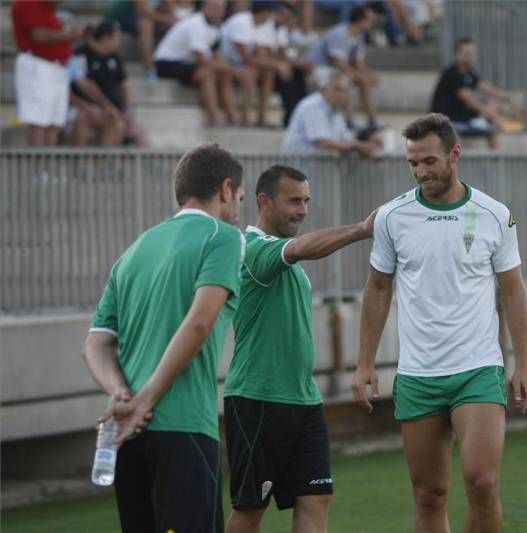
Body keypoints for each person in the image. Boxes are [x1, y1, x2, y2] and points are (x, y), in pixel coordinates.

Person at [352, 113, 527, 533]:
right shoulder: (391, 217)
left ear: (455, 155)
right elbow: (378, 288)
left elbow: (513, 290)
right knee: (429, 495)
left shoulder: (498, 214)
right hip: (417, 374)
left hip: (477, 369)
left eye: (429, 162)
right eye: (412, 163)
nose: (420, 172)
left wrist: (523, 364)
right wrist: (365, 363)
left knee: (483, 482)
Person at [81, 144, 246, 533]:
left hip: (125, 433)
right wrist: (145, 401)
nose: (238, 207)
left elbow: (96, 343)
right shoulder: (222, 236)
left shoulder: (134, 250)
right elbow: (199, 324)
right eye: (239, 197)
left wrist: (122, 395)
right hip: (181, 424)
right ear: (225, 189)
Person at [223, 165, 375, 533]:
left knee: (316, 497)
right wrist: (361, 229)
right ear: (264, 201)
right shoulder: (254, 249)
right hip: (258, 397)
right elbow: (304, 248)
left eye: (306, 200)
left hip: (303, 400)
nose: (303, 210)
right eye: (294, 201)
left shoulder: (281, 255)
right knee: (250, 509)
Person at [154, 0, 246, 126]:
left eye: (220, 8)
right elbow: (201, 60)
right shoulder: (196, 24)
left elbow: (216, 56)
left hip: (187, 64)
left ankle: (232, 117)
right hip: (167, 63)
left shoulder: (216, 27)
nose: (218, 11)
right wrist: (234, 70)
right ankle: (213, 118)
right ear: (204, 7)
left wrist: (229, 70)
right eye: (214, 7)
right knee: (207, 75)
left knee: (224, 75)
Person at [11, 0, 86, 146]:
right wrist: (70, 35)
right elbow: (39, 36)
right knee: (39, 120)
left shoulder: (48, 10)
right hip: (38, 66)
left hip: (56, 68)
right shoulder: (28, 4)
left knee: (54, 122)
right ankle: (37, 167)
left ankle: (48, 167)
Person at [69, 20, 148, 147]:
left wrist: (128, 110)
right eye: (117, 38)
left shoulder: (114, 57)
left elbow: (124, 85)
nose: (120, 42)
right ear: (106, 38)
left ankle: (110, 164)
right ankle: (85, 161)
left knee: (138, 131)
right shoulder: (80, 54)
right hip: (88, 107)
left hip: (112, 108)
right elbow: (83, 85)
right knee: (107, 120)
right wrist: (106, 106)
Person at [430, 38, 519, 150]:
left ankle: (495, 153)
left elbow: (487, 88)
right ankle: (496, 155)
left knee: (493, 103)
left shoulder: (469, 72)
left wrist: (508, 98)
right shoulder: (452, 74)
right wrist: (494, 117)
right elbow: (470, 100)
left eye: (473, 53)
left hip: (462, 117)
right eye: (467, 53)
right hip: (448, 119)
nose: (471, 56)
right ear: (458, 55)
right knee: (492, 128)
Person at [306, 5, 380, 127]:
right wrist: (359, 75)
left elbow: (358, 63)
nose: (372, 22)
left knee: (363, 82)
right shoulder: (340, 33)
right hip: (319, 67)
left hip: (335, 69)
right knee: (346, 79)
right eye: (370, 19)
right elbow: (338, 62)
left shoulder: (358, 36)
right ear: (361, 20)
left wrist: (368, 75)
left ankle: (372, 120)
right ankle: (349, 120)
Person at [281, 72, 378, 157]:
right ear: (324, 89)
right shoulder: (312, 106)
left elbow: (346, 140)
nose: (341, 95)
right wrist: (358, 146)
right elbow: (322, 142)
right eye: (337, 89)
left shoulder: (335, 113)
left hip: (311, 172)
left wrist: (366, 144)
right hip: (296, 172)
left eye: (345, 91)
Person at [219, 0, 284, 126]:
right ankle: (245, 117)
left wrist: (273, 65)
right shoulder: (241, 22)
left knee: (268, 72)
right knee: (251, 72)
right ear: (264, 12)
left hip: (239, 63)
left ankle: (262, 116)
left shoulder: (261, 24)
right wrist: (276, 65)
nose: (272, 16)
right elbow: (246, 58)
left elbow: (261, 54)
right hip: (225, 61)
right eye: (271, 12)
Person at [105, 0, 181, 81]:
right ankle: (150, 70)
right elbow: (142, 11)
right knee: (146, 24)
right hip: (120, 17)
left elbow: (170, 10)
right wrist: (165, 19)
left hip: (144, 16)